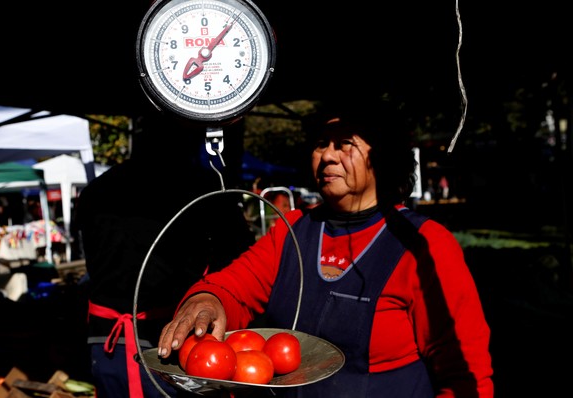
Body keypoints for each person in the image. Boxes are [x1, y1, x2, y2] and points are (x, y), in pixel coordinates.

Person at [157, 101, 494, 397]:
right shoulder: (291, 230)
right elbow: (233, 286)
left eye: (344, 144)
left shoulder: (423, 243)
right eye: (321, 144)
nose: (327, 155)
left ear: (384, 155)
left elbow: (465, 371)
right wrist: (207, 299)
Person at [76, 113, 256, 398]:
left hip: (105, 340)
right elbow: (240, 256)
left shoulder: (96, 190)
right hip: (166, 341)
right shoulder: (197, 188)